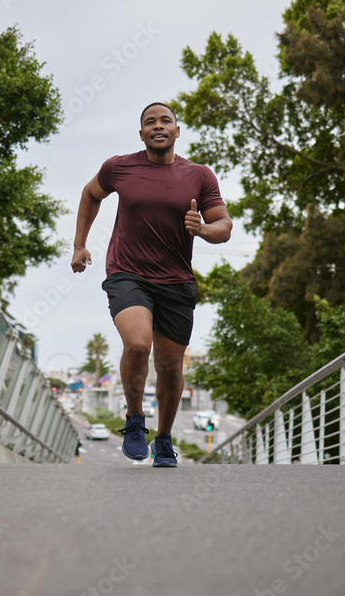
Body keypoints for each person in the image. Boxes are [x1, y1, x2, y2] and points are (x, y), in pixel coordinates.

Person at [71, 102, 232, 467]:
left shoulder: (200, 176)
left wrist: (202, 229)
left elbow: (224, 225)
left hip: (176, 281)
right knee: (139, 344)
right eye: (149, 122)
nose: (158, 126)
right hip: (127, 274)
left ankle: (163, 438)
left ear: (177, 130)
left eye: (165, 121)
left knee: (171, 367)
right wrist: (80, 245)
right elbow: (89, 195)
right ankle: (133, 420)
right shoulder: (119, 167)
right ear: (141, 133)